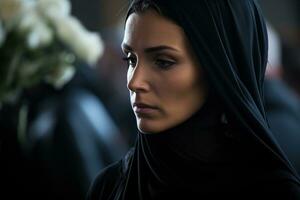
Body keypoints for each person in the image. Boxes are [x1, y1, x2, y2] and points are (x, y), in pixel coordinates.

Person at [87, 0, 300, 199]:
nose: (134, 82)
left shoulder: (273, 190)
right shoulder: (110, 186)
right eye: (131, 59)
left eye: (163, 62)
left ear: (218, 68)